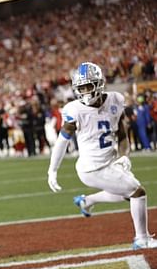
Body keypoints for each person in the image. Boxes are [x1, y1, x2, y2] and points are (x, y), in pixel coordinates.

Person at [47, 62, 156, 250]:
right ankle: (142, 238)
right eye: (81, 88)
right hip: (92, 168)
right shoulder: (75, 110)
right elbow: (62, 141)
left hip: (109, 162)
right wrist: (52, 170)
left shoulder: (115, 100)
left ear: (99, 83)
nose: (85, 92)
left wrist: (124, 156)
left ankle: (87, 201)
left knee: (127, 195)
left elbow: (122, 135)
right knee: (138, 193)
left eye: (88, 86)